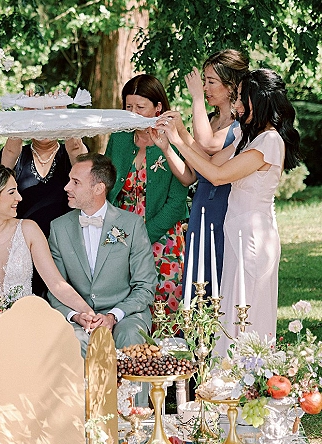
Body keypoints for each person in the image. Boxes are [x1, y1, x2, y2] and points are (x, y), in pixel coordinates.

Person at [158, 69, 301, 355]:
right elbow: (206, 163)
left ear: (256, 102)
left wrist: (177, 140)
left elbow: (218, 176)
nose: (235, 106)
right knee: (230, 311)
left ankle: (248, 378)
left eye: (240, 100)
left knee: (247, 313)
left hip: (253, 237)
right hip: (235, 231)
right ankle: (229, 381)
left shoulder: (270, 141)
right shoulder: (247, 139)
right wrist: (173, 137)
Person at [0, 163, 97, 357]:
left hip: (29, 324)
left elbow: (56, 284)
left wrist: (89, 313)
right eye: (12, 192)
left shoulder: (29, 230)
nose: (19, 198)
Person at [47, 153, 157, 368]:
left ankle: (135, 403)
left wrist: (113, 316)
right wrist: (77, 316)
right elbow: (55, 287)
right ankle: (81, 403)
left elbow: (145, 286)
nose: (66, 187)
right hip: (80, 317)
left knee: (131, 335)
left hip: (126, 314)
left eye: (75, 182)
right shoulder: (58, 228)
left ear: (98, 188)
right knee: (73, 339)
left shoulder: (132, 225)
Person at [104, 75, 189, 314]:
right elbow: (106, 187)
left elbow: (177, 202)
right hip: (120, 237)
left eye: (140, 107)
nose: (133, 112)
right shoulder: (119, 138)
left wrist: (143, 237)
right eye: (128, 107)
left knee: (163, 306)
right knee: (121, 305)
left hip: (162, 237)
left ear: (158, 107)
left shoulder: (174, 141)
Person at [0, 91, 88, 295]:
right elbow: (5, 168)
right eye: (37, 118)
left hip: (65, 247)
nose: (44, 124)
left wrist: (63, 113)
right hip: (22, 248)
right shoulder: (19, 154)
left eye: (50, 118)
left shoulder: (69, 153)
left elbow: (77, 151)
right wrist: (25, 113)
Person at [179, 50, 249, 291]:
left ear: (230, 87)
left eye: (210, 82)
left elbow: (207, 144)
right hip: (201, 204)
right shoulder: (208, 120)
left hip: (223, 206)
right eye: (204, 82)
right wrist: (168, 143)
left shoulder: (240, 126)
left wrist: (196, 99)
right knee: (196, 275)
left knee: (216, 274)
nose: (205, 88)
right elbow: (192, 172)